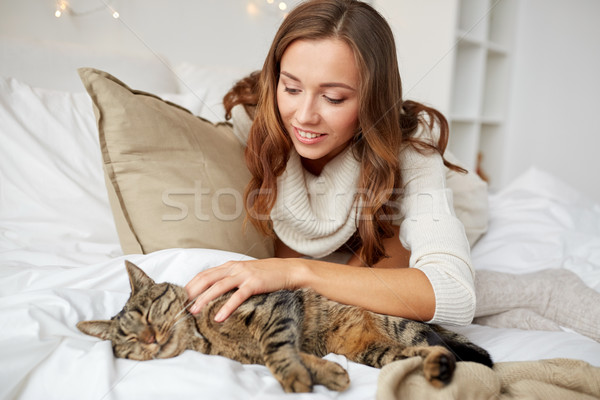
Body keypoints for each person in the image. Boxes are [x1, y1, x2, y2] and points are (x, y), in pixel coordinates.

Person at [185, 0, 489, 326]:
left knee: (384, 256)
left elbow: (455, 296)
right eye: (291, 88)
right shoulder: (257, 114)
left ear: (374, 97)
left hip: (438, 200)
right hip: (341, 224)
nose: (303, 116)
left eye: (333, 98)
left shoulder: (413, 145)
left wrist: (297, 272)